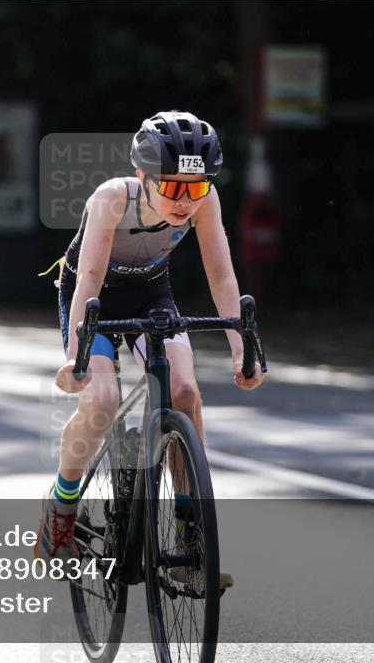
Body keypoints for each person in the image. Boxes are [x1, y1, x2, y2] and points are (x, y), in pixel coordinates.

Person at [35, 111, 265, 588]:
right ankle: (60, 513)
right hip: (93, 298)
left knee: (184, 389)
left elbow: (221, 277)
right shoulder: (111, 199)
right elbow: (89, 284)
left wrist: (241, 348)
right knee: (101, 401)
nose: (186, 200)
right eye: (173, 187)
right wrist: (77, 357)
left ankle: (189, 533)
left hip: (152, 295)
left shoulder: (204, 200)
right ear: (142, 175)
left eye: (195, 187)